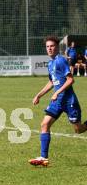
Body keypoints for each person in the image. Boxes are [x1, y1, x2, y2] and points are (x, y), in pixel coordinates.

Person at [29, 36, 87, 166]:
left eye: (52, 46)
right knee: (44, 124)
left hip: (68, 100)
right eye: (47, 47)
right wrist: (39, 95)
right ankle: (44, 158)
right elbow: (51, 82)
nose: (49, 48)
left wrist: (57, 92)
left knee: (78, 129)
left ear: (57, 47)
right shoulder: (50, 63)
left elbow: (70, 80)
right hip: (57, 101)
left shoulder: (61, 61)